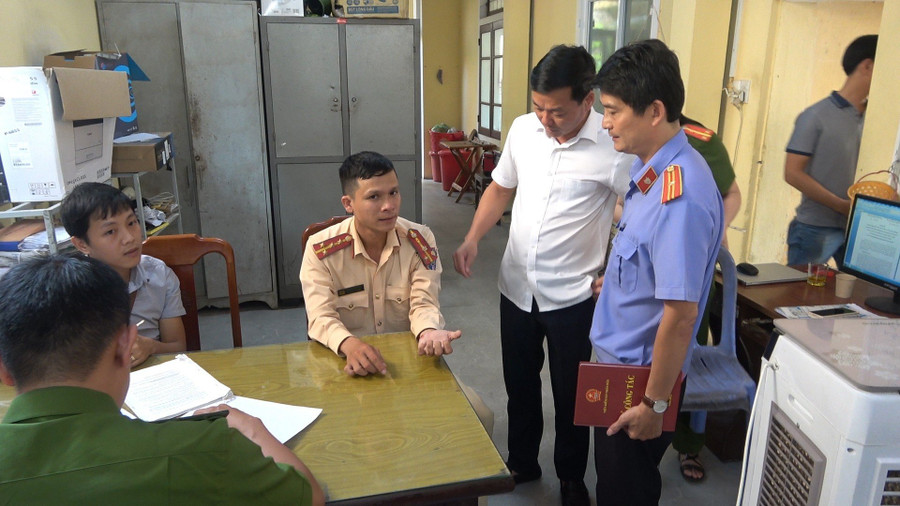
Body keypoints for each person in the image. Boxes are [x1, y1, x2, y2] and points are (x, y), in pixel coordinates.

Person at [453, 45, 632, 506]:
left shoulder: (614, 147)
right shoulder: (523, 130)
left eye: (557, 111)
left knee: (573, 395)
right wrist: (474, 237)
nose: (545, 119)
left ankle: (572, 478)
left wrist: (613, 270)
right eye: (538, 107)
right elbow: (500, 187)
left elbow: (636, 215)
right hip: (516, 285)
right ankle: (522, 461)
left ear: (588, 100)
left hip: (573, 294)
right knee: (519, 383)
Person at [0, 254, 324, 504]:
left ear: (4, 370)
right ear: (125, 344)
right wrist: (251, 427)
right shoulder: (206, 449)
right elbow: (307, 495)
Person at [590, 39, 723, 505]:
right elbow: (648, 263)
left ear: (655, 111)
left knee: (626, 490)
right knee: (612, 480)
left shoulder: (679, 197)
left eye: (612, 111)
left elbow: (681, 315)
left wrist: (654, 404)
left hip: (637, 383)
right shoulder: (651, 170)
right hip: (618, 369)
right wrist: (620, 285)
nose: (604, 123)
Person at [300, 151, 492, 432]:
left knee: (481, 416)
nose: (389, 206)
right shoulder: (321, 250)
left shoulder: (419, 239)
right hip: (344, 364)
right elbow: (320, 317)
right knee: (332, 437)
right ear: (349, 203)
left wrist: (428, 331)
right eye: (374, 197)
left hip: (409, 364)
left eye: (394, 193)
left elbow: (424, 301)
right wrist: (350, 345)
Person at [672, 114, 742, 481]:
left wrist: (715, 225)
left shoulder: (701, 141)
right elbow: (619, 202)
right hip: (647, 270)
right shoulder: (622, 139)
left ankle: (688, 445)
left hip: (695, 270)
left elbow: (732, 194)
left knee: (687, 353)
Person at [61, 182, 186, 367]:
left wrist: (150, 346)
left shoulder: (160, 275)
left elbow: (178, 347)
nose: (130, 238)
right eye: (110, 231)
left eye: (131, 222)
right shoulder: (68, 288)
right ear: (82, 244)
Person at [784, 34, 878, 266]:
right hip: (815, 228)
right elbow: (792, 173)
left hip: (860, 229)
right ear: (867, 66)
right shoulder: (815, 116)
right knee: (799, 294)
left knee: (861, 296)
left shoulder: (877, 118)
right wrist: (841, 205)